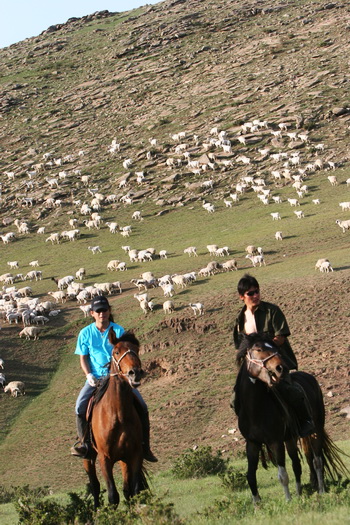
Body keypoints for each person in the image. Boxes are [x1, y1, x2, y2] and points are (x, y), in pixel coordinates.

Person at [70, 295, 157, 462]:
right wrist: (88, 375)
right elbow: (83, 358)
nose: (102, 313)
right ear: (92, 313)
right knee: (80, 406)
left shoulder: (118, 330)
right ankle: (85, 444)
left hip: (118, 378)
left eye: (105, 310)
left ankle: (145, 446)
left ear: (109, 311)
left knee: (143, 407)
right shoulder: (85, 333)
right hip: (95, 378)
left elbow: (127, 354)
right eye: (98, 311)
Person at [232, 273, 315, 437]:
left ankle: (306, 421)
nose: (255, 296)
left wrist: (263, 346)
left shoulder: (272, 311)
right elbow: (239, 348)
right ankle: (252, 431)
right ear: (242, 297)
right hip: (254, 367)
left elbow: (281, 337)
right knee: (235, 399)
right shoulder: (240, 320)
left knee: (291, 390)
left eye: (257, 291)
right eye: (250, 293)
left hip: (274, 362)